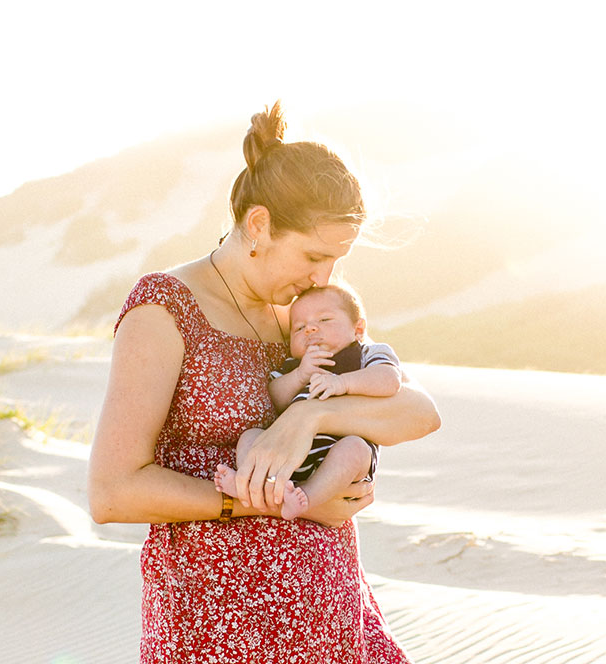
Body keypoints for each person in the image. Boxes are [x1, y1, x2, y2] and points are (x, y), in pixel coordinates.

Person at [88, 101, 441, 664]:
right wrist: (269, 506)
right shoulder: (165, 309)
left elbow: (418, 412)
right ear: (259, 225)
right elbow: (111, 491)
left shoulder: (304, 320)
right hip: (214, 627)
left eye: (336, 261)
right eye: (314, 255)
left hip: (334, 617)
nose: (323, 278)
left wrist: (311, 417)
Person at [214, 282, 401, 521]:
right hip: (286, 454)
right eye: (299, 328)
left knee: (355, 449)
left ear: (358, 328)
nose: (310, 329)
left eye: (324, 320)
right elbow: (273, 399)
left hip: (339, 454)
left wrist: (342, 383)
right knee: (250, 436)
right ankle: (248, 482)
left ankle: (306, 498)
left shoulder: (366, 354)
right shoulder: (294, 366)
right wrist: (300, 374)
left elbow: (389, 380)